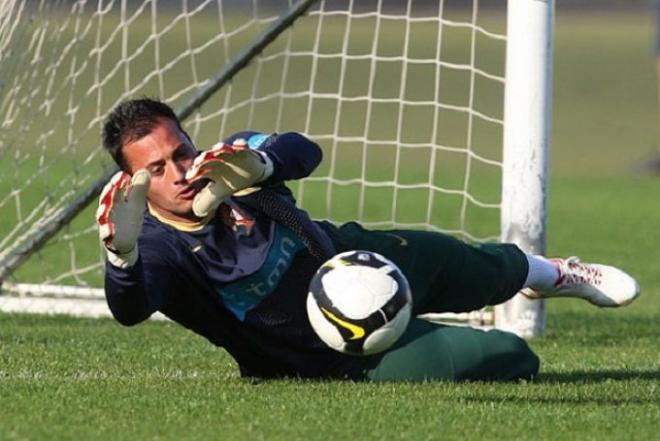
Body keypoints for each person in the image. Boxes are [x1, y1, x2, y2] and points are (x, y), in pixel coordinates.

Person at [97, 98, 640, 382]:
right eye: (158, 168)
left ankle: (556, 275)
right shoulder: (159, 248)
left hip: (355, 258)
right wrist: (122, 259)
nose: (180, 171)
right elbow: (132, 307)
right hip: (326, 355)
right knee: (510, 356)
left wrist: (262, 162)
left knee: (468, 262)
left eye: (182, 151)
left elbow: (302, 149)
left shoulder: (229, 161)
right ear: (135, 183)